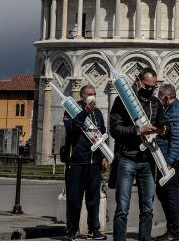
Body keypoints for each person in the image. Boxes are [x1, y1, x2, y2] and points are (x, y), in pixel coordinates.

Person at [109, 68, 166, 241]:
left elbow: (164, 124)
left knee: (148, 207)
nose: (150, 90)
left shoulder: (155, 103)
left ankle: (145, 238)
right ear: (139, 81)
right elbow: (115, 129)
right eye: (147, 86)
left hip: (148, 160)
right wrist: (138, 130)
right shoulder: (122, 101)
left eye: (153, 87)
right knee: (122, 207)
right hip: (127, 158)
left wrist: (162, 129)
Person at [62, 84, 108, 241]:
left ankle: (94, 229)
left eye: (94, 93)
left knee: (93, 198)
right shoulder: (71, 110)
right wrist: (85, 112)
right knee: (74, 199)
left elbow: (102, 135)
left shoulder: (98, 113)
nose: (92, 96)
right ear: (82, 96)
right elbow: (72, 129)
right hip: (76, 163)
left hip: (93, 163)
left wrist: (103, 156)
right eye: (89, 94)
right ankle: (72, 230)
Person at [155, 83, 179, 241]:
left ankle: (175, 233)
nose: (160, 101)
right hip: (165, 159)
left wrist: (169, 162)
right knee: (163, 193)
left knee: (172, 195)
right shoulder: (170, 109)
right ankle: (171, 230)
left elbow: (176, 140)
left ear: (167, 97)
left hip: (170, 161)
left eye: (161, 98)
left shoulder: (176, 111)